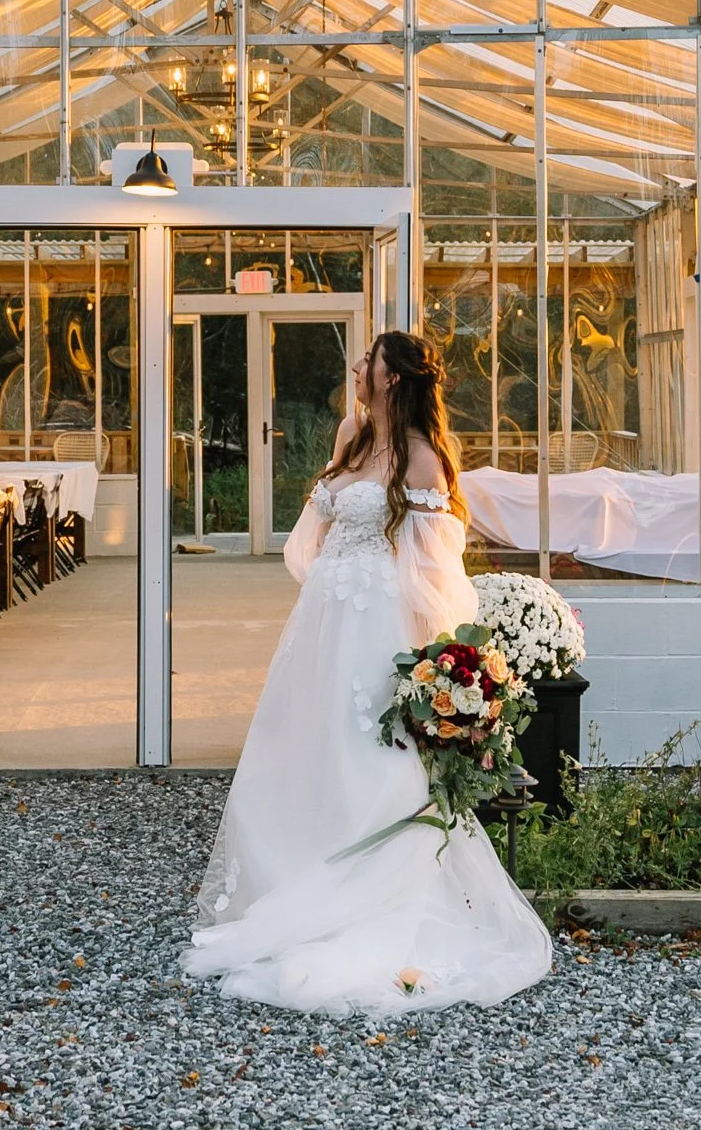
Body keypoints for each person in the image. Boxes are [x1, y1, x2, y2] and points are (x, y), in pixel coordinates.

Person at [183, 330, 552, 1014]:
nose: (357, 369)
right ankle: (301, 875)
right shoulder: (352, 434)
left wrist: (436, 670)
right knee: (311, 748)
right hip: (324, 617)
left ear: (391, 377)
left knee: (370, 753)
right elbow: (317, 526)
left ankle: (370, 899)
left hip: (376, 625)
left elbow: (437, 573)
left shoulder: (422, 458)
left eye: (367, 362)